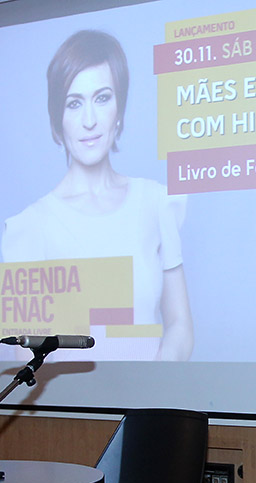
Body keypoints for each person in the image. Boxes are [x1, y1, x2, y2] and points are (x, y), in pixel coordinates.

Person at [2, 29, 193, 361]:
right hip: (64, 395)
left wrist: (156, 378)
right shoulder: (27, 227)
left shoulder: (156, 202)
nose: (89, 120)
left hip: (150, 392)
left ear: (119, 108)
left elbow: (180, 324)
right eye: (74, 103)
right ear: (57, 118)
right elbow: (26, 355)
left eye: (102, 98)